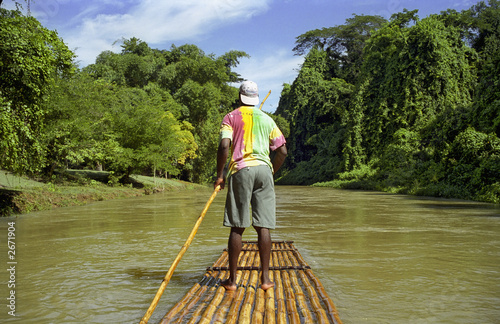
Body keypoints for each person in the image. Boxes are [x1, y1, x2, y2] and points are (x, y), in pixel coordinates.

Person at [214, 80, 287, 291]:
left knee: (238, 225)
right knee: (263, 225)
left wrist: (220, 175)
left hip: (241, 170)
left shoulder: (230, 117)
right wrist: (271, 171)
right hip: (264, 171)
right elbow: (282, 151)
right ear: (255, 98)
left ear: (240, 96)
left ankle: (233, 281)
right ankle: (265, 280)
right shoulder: (267, 119)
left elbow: (224, 145)